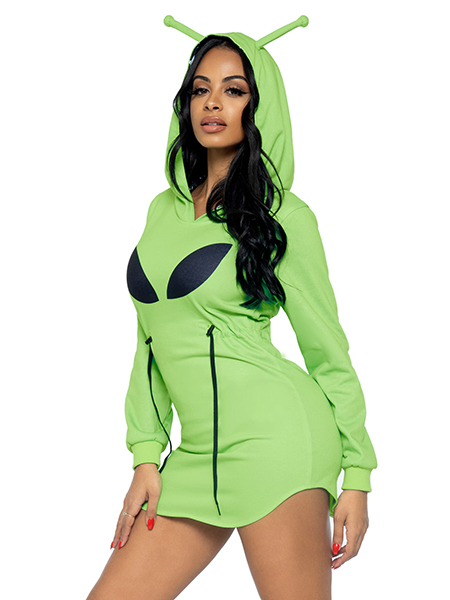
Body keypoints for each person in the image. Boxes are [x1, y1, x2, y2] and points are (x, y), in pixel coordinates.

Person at [86, 15, 377, 600]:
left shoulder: (284, 217)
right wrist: (146, 456)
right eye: (201, 89)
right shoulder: (161, 211)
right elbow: (149, 342)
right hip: (193, 458)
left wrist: (357, 475)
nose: (213, 103)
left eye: (234, 89)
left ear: (258, 106)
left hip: (279, 447)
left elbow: (327, 351)